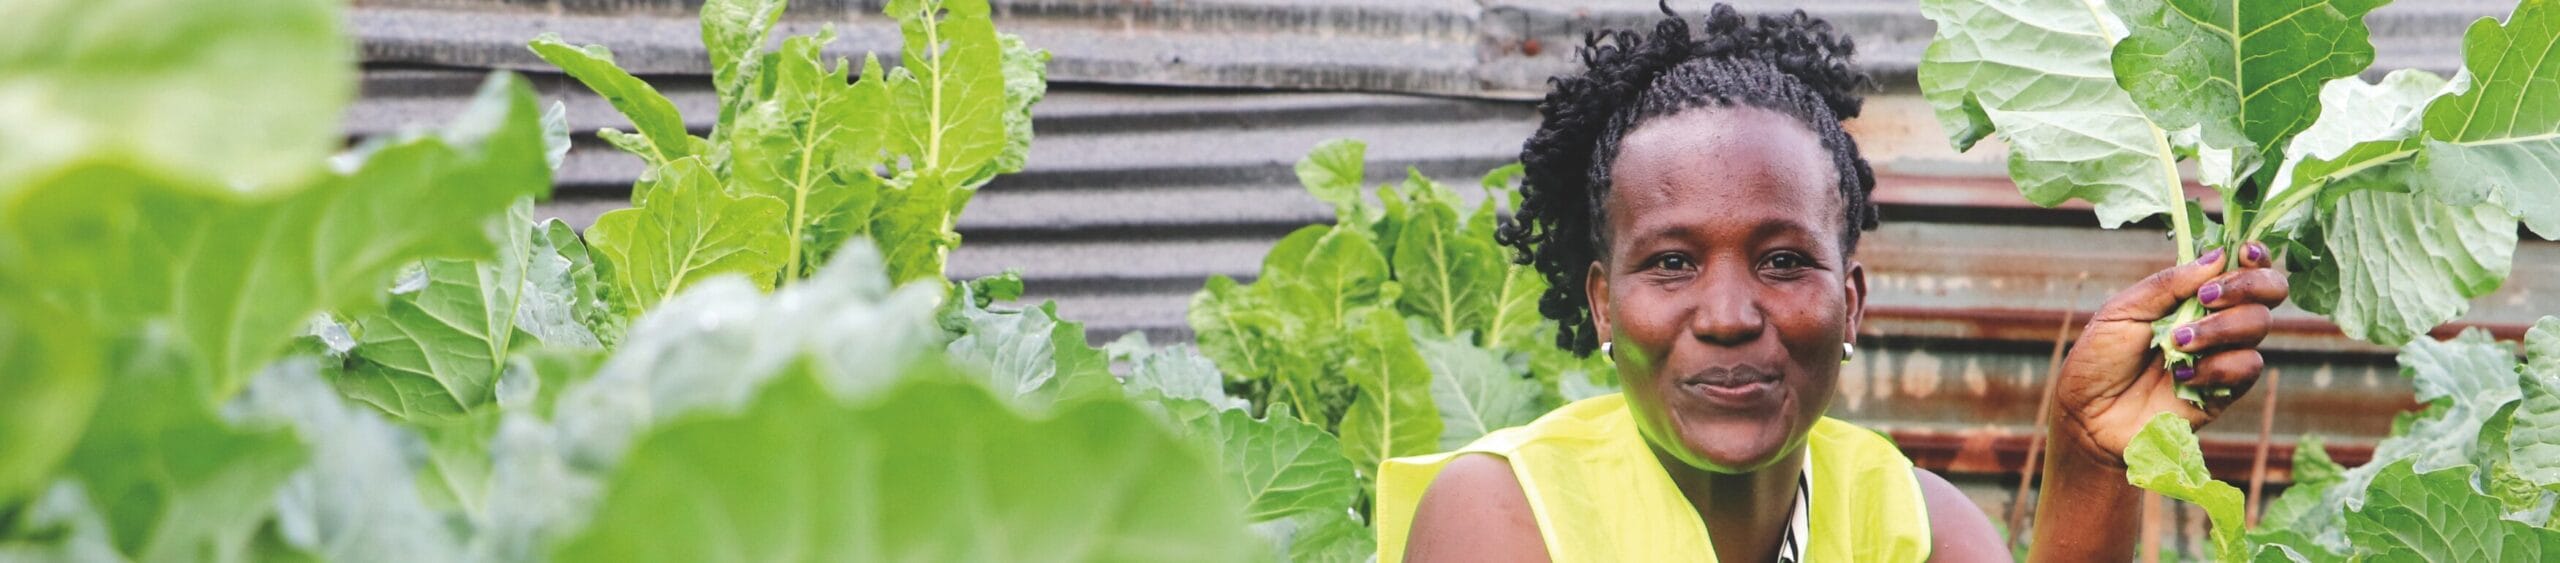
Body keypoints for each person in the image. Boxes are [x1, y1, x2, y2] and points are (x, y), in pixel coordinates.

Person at [1375, 4, 2290, 562]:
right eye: (1670, 263)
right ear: (1604, 304)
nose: (1730, 316)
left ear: (1850, 302)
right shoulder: (1504, 513)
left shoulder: (1915, 525)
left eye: (1782, 261)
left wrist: (2091, 454)